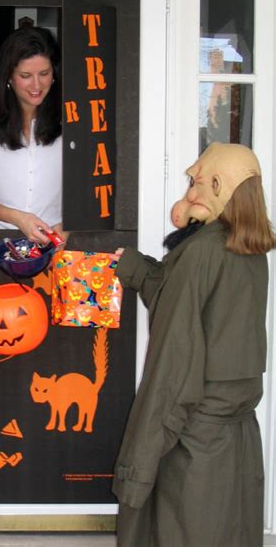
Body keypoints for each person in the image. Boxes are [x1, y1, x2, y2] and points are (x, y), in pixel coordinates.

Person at [112, 143, 275, 547]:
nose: (188, 191)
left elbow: (174, 361)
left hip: (195, 440)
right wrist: (133, 266)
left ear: (217, 185)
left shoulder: (202, 252)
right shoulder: (249, 250)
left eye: (195, 182)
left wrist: (140, 464)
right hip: (235, 434)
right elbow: (190, 303)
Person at [0, 26, 66, 244]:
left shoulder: (71, 124)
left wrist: (68, 228)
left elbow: (88, 189)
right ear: (9, 77)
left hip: (55, 245)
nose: (37, 85)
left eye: (44, 74)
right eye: (25, 76)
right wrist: (17, 218)